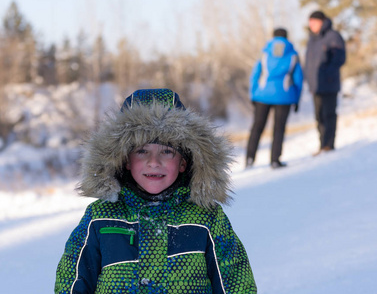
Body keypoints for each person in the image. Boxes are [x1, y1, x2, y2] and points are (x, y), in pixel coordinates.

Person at [55, 88, 257, 293]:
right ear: (124, 159)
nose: (154, 162)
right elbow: (72, 282)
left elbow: (235, 283)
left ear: (183, 162)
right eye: (142, 151)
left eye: (167, 151)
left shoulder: (207, 218)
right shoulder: (99, 218)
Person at [246, 28, 304, 169]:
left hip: (262, 95)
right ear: (287, 37)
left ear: (273, 37)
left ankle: (249, 159)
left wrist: (253, 94)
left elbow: (255, 74)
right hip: (284, 95)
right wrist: (296, 98)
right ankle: (275, 160)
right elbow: (298, 79)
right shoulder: (293, 54)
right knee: (279, 128)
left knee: (257, 127)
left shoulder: (265, 53)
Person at [304, 10, 346, 156]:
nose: (311, 25)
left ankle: (329, 144)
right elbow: (309, 63)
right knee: (318, 116)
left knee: (329, 114)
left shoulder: (332, 36)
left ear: (322, 22)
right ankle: (322, 145)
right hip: (315, 86)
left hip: (329, 83)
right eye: (310, 23)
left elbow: (339, 58)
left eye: (314, 22)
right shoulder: (312, 39)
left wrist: (328, 74)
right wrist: (308, 80)